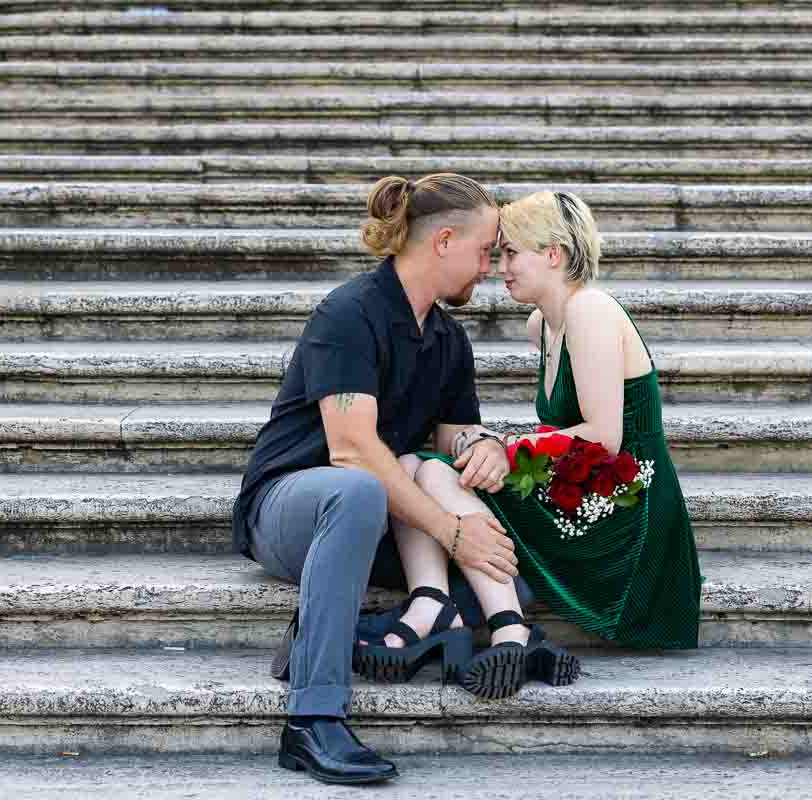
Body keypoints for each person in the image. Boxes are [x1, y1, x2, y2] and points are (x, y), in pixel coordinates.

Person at [231, 173, 526, 786]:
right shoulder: (350, 312)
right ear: (443, 240)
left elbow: (451, 443)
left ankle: (355, 628)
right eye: (484, 250)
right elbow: (351, 450)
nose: (491, 267)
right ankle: (311, 720)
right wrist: (452, 533)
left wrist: (488, 447)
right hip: (293, 508)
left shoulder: (447, 338)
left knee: (507, 588)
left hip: (373, 526)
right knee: (362, 486)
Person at [390, 190, 704, 680]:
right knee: (413, 464)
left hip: (625, 504)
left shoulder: (590, 310)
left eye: (511, 252)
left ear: (553, 254)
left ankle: (503, 626)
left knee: (434, 469)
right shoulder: (542, 324)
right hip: (579, 483)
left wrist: (508, 449)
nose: (500, 268)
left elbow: (603, 439)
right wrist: (499, 449)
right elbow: (561, 435)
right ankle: (437, 604)